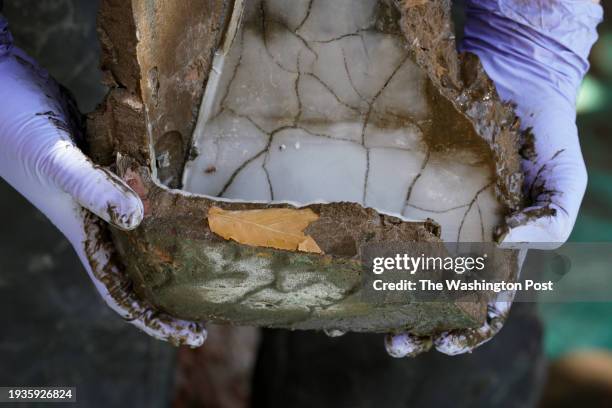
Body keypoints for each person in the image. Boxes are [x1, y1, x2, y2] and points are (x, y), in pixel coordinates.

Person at [0, 0, 603, 360]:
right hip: (109, 55)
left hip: (429, 80)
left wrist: (537, 38)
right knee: (69, 350)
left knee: (443, 336)